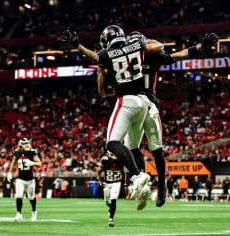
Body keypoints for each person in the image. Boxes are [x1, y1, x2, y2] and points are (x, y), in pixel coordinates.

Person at [62, 29, 218, 207]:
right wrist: (198, 46)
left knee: (147, 147)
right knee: (134, 147)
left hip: (145, 103)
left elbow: (101, 77)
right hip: (142, 103)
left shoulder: (138, 55)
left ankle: (155, 183)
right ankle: (142, 183)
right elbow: (177, 54)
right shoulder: (137, 50)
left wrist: (80, 48)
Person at [7, 138, 42, 221]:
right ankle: (18, 214)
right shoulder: (17, 153)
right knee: (18, 195)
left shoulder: (32, 152)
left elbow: (39, 164)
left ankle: (34, 212)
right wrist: (9, 173)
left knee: (31, 197)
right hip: (20, 178)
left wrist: (32, 163)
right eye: (25, 143)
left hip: (30, 179)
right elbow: (13, 163)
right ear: (21, 145)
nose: (27, 145)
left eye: (27, 143)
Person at [96, 152, 125, 227]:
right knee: (107, 201)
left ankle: (111, 219)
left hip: (116, 182)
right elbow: (97, 172)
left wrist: (124, 184)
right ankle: (110, 208)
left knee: (113, 199)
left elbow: (124, 173)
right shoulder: (105, 162)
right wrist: (100, 180)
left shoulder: (120, 162)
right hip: (107, 183)